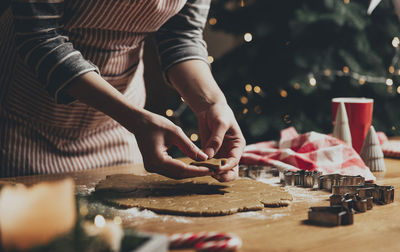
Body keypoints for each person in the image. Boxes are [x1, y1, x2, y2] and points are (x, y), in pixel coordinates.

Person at [0, 0, 245, 181]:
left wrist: (212, 103)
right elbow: (40, 38)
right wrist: (136, 120)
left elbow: (181, 35)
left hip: (121, 125)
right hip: (26, 118)